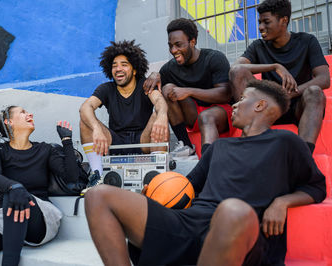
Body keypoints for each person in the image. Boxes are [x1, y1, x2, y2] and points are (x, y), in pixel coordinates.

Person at [84, 79, 326, 265]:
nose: (234, 104)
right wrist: (155, 193)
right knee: (99, 195)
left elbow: (316, 187)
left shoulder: (285, 142)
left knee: (232, 208)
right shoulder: (220, 146)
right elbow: (187, 186)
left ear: (260, 105)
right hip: (192, 223)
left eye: (242, 99)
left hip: (241, 230)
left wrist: (282, 202)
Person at [0, 106, 81, 266]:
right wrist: (15, 187)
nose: (30, 114)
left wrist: (67, 141)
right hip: (5, 214)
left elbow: (72, 178)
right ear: (9, 122)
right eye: (23, 112)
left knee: (14, 195)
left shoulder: (45, 149)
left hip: (40, 217)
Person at [229, 0, 330, 154]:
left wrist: (289, 94)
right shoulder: (258, 46)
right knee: (237, 73)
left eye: (266, 22)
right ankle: (251, 141)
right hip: (268, 107)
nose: (260, 27)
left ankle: (303, 156)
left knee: (315, 91)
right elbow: (236, 68)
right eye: (259, 22)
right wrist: (275, 66)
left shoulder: (307, 41)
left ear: (284, 20)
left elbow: (324, 79)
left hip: (298, 106)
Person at [79, 40, 169, 193]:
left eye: (124, 64)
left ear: (134, 70)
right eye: (114, 65)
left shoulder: (144, 85)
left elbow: (159, 101)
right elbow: (85, 107)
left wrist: (162, 116)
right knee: (85, 120)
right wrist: (96, 128)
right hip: (115, 142)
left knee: (158, 115)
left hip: (143, 141)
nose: (118, 69)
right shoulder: (106, 88)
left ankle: (158, 179)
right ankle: (98, 176)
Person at [144, 18, 233, 157]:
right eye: (171, 45)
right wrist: (156, 74)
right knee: (167, 89)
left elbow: (225, 94)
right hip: (193, 115)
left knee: (206, 116)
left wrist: (189, 91)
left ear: (193, 41)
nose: (174, 50)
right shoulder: (170, 68)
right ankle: (185, 145)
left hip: (221, 113)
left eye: (178, 45)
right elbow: (158, 86)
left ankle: (207, 162)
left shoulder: (214, 58)